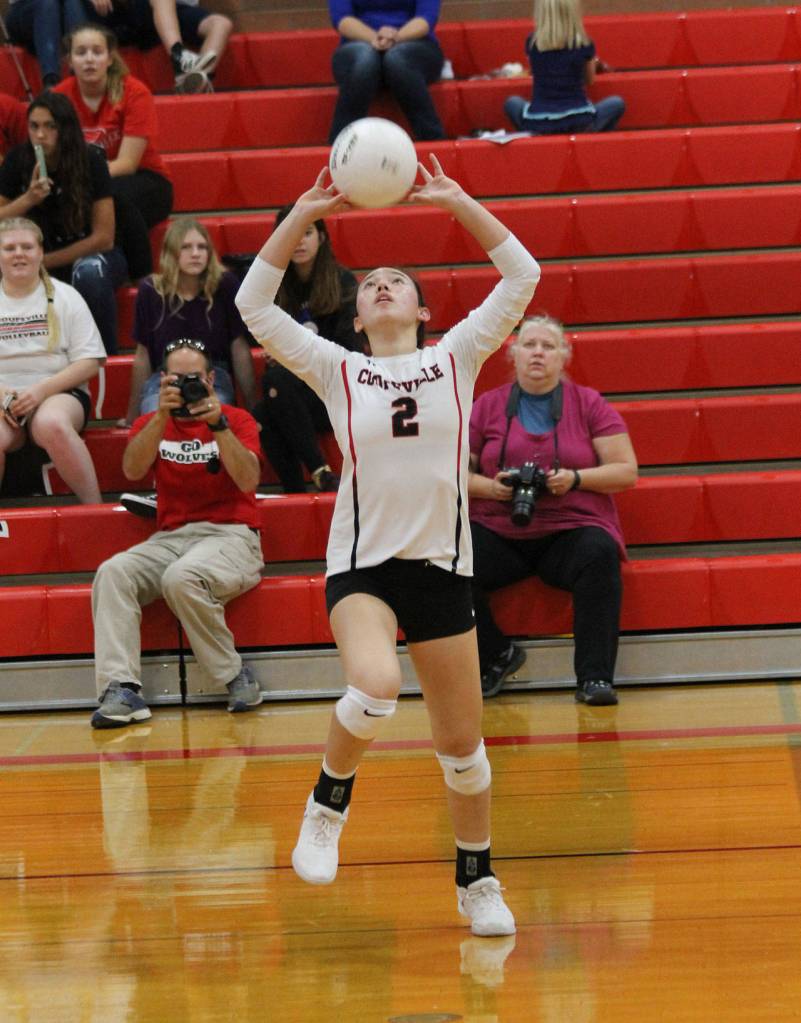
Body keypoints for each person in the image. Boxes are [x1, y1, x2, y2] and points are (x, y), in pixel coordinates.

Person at [235, 158, 540, 937]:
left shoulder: (457, 357)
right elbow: (252, 304)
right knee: (373, 686)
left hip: (442, 567)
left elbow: (521, 273)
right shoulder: (339, 369)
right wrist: (302, 213)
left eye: (396, 279)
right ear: (358, 318)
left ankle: (477, 880)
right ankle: (326, 805)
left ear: (421, 307)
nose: (379, 285)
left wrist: (458, 197)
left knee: (462, 751)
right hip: (363, 566)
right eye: (368, 283)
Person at [90, 337, 265, 729]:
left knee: (181, 577)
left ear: (210, 378)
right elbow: (133, 470)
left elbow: (249, 478)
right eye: (176, 379)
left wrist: (216, 423)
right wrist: (159, 418)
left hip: (232, 536)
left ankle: (236, 675)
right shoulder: (151, 423)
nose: (185, 385)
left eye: (193, 378)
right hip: (171, 538)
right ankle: (121, 688)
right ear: (162, 380)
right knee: (113, 572)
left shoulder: (236, 419)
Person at [468, 315, 638, 703]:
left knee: (599, 552)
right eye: (529, 345)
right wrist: (492, 489)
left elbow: (626, 471)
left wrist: (575, 479)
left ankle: (595, 678)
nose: (538, 353)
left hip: (569, 528)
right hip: (499, 526)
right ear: (512, 355)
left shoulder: (590, 404)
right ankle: (497, 654)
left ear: (564, 356)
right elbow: (455, 473)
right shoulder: (487, 406)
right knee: (448, 559)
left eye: (548, 346)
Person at [0, 92, 128, 354]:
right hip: (36, 255)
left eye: (50, 126)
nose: (40, 134)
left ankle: (105, 360)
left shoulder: (91, 160)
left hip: (91, 255)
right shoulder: (17, 160)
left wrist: (45, 261)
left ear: (65, 129)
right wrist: (28, 199)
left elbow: (104, 238)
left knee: (90, 272)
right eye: (34, 126)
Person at [252, 205, 362, 493]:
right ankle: (298, 491)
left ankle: (316, 474)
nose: (299, 241)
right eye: (292, 234)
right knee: (264, 412)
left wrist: (294, 351)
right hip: (295, 393)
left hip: (336, 391)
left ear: (322, 237)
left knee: (275, 384)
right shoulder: (275, 286)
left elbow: (349, 350)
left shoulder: (342, 282)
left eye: (307, 232)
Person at [54, 25, 173, 280]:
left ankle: (142, 276)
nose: (89, 59)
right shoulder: (59, 97)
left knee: (114, 197)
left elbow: (128, 163)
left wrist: (87, 183)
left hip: (146, 180)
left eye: (97, 52)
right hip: (85, 183)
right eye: (81, 52)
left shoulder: (134, 92)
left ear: (109, 58)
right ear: (69, 61)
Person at [0, 216, 104, 503]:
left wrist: (41, 391)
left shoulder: (67, 297)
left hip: (59, 393)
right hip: (2, 399)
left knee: (52, 423)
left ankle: (95, 509)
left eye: (27, 246)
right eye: (9, 248)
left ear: (41, 253)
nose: (19, 253)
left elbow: (90, 361)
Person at [121, 217, 257, 426]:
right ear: (171, 252)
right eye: (186, 247)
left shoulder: (225, 284)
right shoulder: (151, 290)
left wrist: (252, 407)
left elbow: (238, 347)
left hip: (213, 376)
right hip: (164, 377)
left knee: (215, 411)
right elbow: (143, 355)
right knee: (153, 416)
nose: (196, 254)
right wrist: (132, 415)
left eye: (202, 247)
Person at [328, 1, 446, 143]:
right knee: (365, 60)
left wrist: (395, 37)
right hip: (357, 44)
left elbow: (426, 18)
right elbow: (341, 19)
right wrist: (375, 38)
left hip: (416, 45)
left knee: (397, 59)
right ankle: (340, 148)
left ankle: (434, 143)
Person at [503, 0, 625, 136]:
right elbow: (589, 80)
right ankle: (591, 143)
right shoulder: (584, 43)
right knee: (616, 103)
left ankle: (536, 140)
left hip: (539, 122)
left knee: (512, 103)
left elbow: (538, 71)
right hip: (579, 121)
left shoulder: (532, 43)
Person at [68, 0, 232, 94]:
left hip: (168, 11)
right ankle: (179, 56)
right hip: (125, 12)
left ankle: (196, 79)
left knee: (221, 24)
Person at [4, 0, 64, 89]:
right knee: (47, 3)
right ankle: (51, 81)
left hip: (60, 14)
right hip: (23, 12)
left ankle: (78, 76)